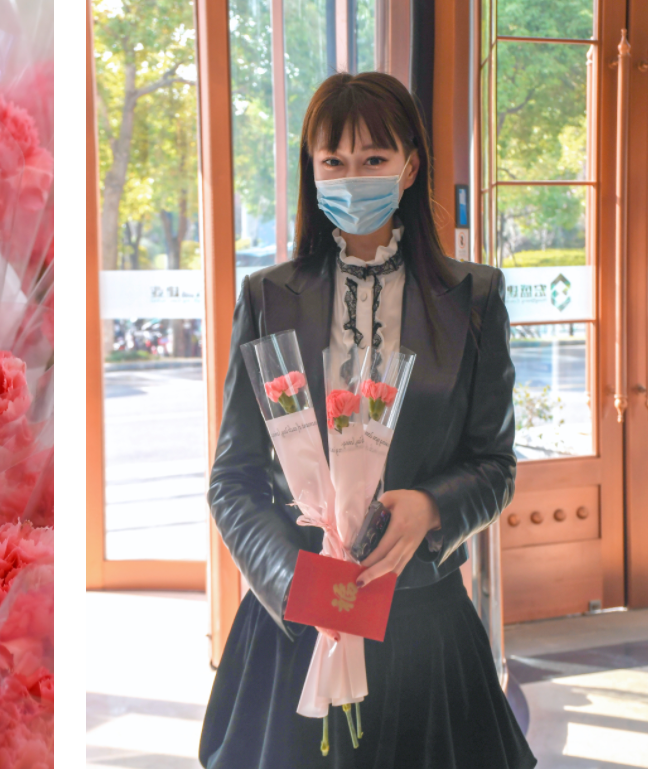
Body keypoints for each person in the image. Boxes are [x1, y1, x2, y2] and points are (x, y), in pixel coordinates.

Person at [199, 72, 535, 769]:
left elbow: (495, 465)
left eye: (374, 159)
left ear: (410, 166)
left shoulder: (473, 298)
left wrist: (432, 506)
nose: (353, 179)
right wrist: (296, 583)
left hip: (423, 625)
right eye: (335, 161)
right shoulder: (267, 297)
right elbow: (233, 478)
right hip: (294, 625)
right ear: (313, 170)